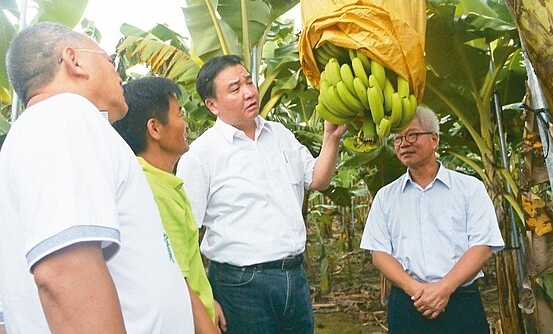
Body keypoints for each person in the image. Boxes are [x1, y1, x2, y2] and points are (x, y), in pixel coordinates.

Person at [0, 22, 193, 332]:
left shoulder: (43, 130)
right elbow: (65, 272)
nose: (120, 73)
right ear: (74, 60)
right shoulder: (63, 115)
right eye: (110, 60)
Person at [176, 54, 347, 334]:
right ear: (212, 105)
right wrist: (202, 299)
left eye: (249, 82)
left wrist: (331, 138)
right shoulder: (201, 156)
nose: (249, 92)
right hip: (241, 285)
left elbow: (318, 179)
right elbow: (184, 235)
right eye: (235, 88)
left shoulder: (279, 135)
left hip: (294, 277)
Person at [360, 105, 504, 334]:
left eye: (412, 135)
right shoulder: (386, 197)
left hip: (460, 302)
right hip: (408, 303)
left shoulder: (469, 189)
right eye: (397, 138)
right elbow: (379, 253)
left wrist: (443, 290)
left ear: (434, 139)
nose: (404, 143)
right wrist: (416, 290)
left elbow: (483, 246)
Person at [113, 76, 226, 334]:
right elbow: (178, 278)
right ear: (155, 129)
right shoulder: (153, 191)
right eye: (179, 114)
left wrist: (208, 301)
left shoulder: (159, 181)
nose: (186, 123)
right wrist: (207, 327)